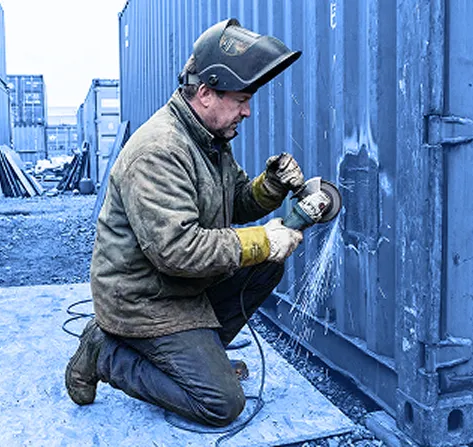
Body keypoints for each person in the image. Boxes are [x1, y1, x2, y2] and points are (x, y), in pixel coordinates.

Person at [65, 18, 315, 427]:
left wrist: (270, 186)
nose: (248, 111)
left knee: (268, 264)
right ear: (205, 94)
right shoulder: (159, 151)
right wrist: (263, 240)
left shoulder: (208, 139)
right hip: (143, 300)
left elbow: (233, 201)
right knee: (222, 405)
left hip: (180, 287)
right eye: (241, 100)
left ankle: (200, 360)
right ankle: (105, 352)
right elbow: (177, 250)